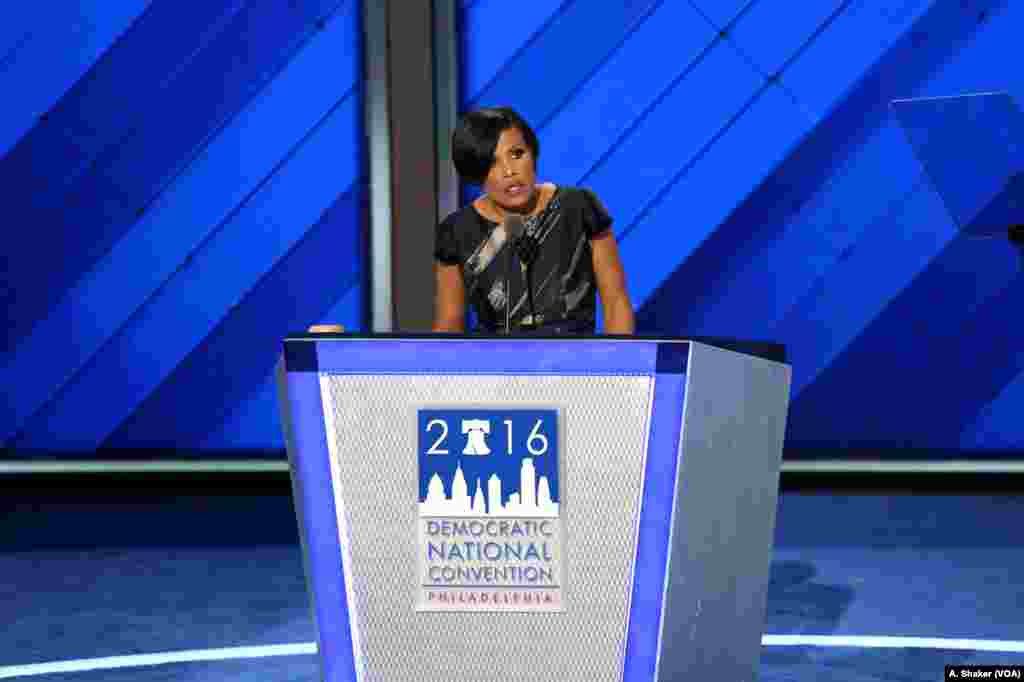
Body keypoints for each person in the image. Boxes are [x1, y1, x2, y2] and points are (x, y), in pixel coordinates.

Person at [432, 107, 635, 335]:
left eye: (517, 154)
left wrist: (614, 365)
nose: (509, 171)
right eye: (492, 162)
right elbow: (448, 326)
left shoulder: (578, 208)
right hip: (496, 364)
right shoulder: (457, 231)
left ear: (533, 153)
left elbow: (616, 302)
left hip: (575, 362)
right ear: (475, 172)